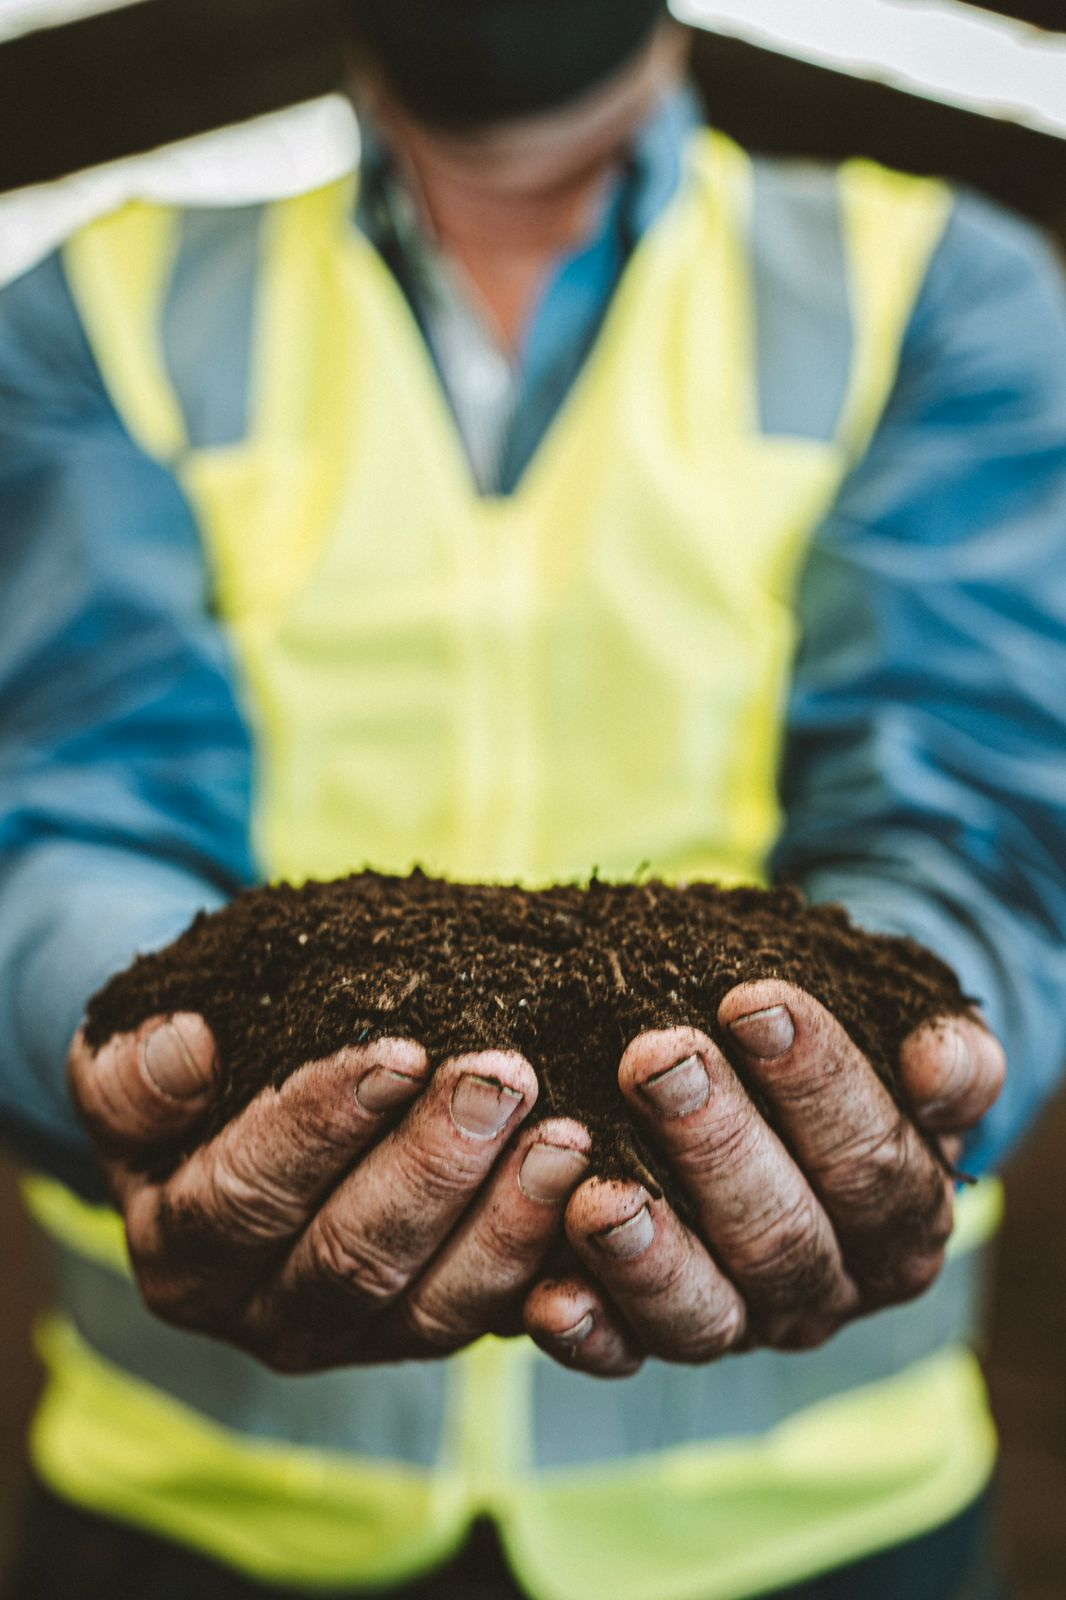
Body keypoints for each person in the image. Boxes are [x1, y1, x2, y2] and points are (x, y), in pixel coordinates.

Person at [1, 2, 1065, 1596]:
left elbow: (968, 801)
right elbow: (70, 789)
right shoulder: (103, 304)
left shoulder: (929, 287)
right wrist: (126, 1049)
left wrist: (892, 1072)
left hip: (793, 1528)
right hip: (217, 1515)